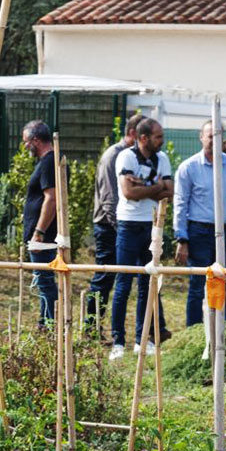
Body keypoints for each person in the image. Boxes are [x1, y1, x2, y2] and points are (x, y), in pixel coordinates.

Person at [109, 118, 172, 360]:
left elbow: (169, 191)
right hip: (128, 224)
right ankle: (117, 341)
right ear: (143, 138)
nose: (162, 140)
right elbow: (128, 193)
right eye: (157, 136)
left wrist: (143, 185)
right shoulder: (126, 157)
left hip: (152, 224)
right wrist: (154, 187)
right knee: (123, 282)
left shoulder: (162, 159)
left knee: (149, 283)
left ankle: (142, 339)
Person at [173, 121, 226, 327]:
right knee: (197, 286)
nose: (214, 140)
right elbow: (180, 203)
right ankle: (194, 333)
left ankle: (221, 330)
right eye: (210, 135)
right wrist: (182, 238)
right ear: (201, 137)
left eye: (218, 135)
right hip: (199, 232)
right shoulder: (189, 167)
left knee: (224, 282)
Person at [85, 114, 142, 336]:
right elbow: (110, 198)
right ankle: (90, 328)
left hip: (122, 225)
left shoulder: (133, 157)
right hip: (109, 225)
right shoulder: (114, 156)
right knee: (104, 276)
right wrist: (120, 231)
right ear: (133, 134)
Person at [22, 119, 58, 328]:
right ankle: (44, 322)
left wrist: (39, 231)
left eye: (26, 142)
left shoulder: (48, 162)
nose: (26, 146)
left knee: (44, 281)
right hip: (41, 233)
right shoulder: (47, 162)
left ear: (36, 140)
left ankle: (49, 325)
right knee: (43, 279)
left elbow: (51, 198)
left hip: (43, 235)